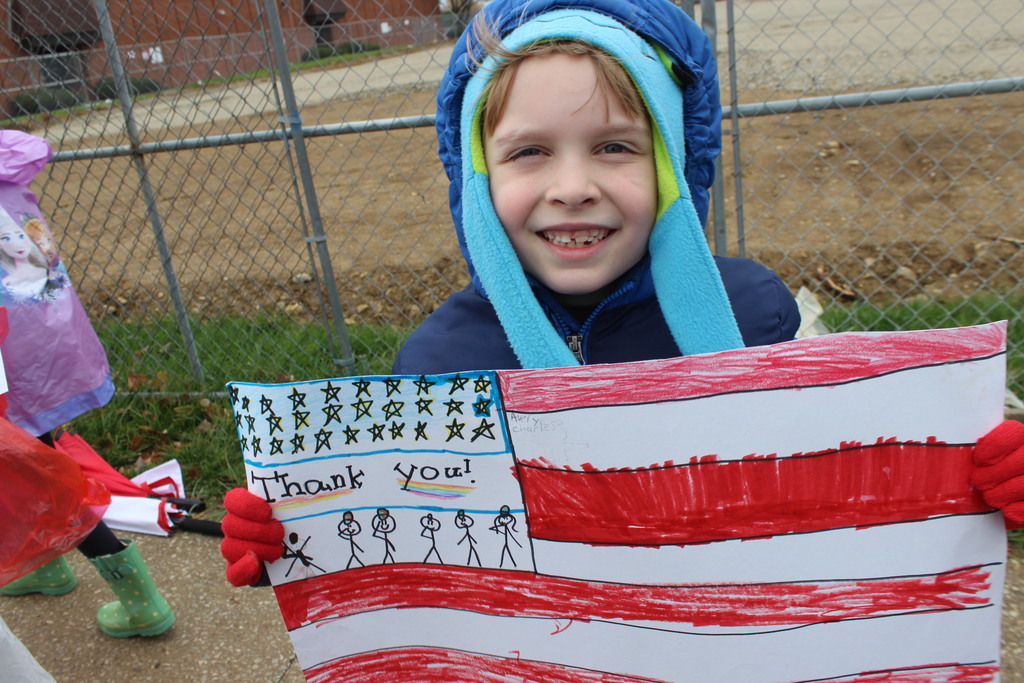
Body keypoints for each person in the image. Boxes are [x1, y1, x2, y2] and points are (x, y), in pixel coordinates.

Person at [219, 0, 1024, 586]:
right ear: (477, 178)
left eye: (614, 146)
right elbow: (424, 553)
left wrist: (970, 479)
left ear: (673, 164)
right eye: (529, 152)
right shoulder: (436, 364)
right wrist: (301, 543)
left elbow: (854, 483)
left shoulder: (758, 316)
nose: (573, 186)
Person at [0, 130, 175, 638]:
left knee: (41, 477)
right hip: (51, 345)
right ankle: (44, 566)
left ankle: (141, 604)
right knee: (32, 465)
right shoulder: (6, 172)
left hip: (12, 365)